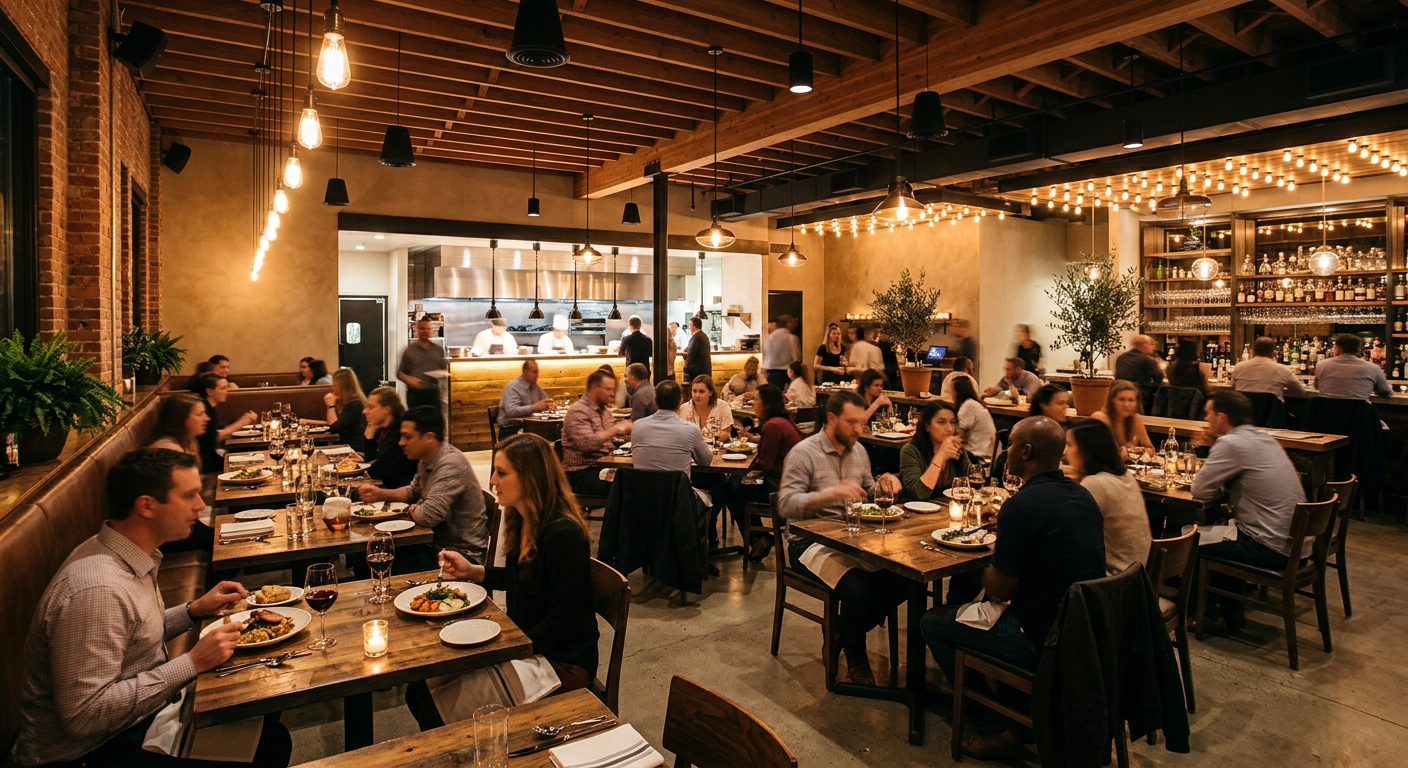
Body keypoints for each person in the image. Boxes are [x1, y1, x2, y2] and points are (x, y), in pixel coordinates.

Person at [12, 448, 292, 767]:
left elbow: (135, 634)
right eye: (189, 496)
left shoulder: (127, 552)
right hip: (93, 753)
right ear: (146, 505)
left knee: (259, 701)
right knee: (269, 744)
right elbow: (82, 717)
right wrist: (192, 662)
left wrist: (193, 611)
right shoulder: (97, 589)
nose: (200, 506)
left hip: (133, 727)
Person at [921, 417, 1104, 757]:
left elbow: (999, 592)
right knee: (963, 604)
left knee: (932, 623)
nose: (1005, 452)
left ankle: (997, 727)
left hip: (1039, 636)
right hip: (1086, 630)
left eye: (1010, 446)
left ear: (1026, 451)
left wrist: (999, 543)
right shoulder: (1081, 495)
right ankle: (1019, 705)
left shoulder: (1021, 506)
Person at [407, 433, 597, 727]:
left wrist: (502, 647)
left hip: (562, 660)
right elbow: (520, 579)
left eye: (502, 472)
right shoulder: (520, 518)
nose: (492, 479)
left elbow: (564, 621)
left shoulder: (563, 534)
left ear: (532, 478)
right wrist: (475, 571)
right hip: (527, 643)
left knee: (434, 712)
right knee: (417, 689)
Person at [777, 389, 906, 685]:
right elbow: (785, 504)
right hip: (807, 542)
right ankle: (857, 657)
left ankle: (841, 632)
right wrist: (827, 496)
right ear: (831, 418)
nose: (859, 430)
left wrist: (883, 485)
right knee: (857, 588)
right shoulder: (804, 452)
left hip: (853, 539)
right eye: (852, 423)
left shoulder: (858, 451)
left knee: (904, 578)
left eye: (862, 423)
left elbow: (867, 490)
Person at [1192, 391, 1307, 632]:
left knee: (1188, 540)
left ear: (1221, 417)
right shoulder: (1264, 438)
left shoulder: (1230, 443)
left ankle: (1210, 616)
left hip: (1271, 546)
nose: (1206, 421)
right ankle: (1232, 611)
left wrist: (1213, 447)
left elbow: (1200, 490)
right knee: (1223, 529)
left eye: (1208, 415)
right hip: (1296, 545)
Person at [356, 407, 489, 566]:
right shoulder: (425, 460)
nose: (401, 442)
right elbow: (412, 492)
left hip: (461, 554)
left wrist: (410, 509)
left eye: (407, 436)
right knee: (368, 552)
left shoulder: (450, 464)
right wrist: (380, 494)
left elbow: (427, 516)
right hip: (435, 543)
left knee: (376, 560)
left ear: (429, 437)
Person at [722, 384, 801, 561]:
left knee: (732, 493)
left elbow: (765, 464)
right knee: (737, 489)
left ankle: (760, 538)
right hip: (791, 482)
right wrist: (754, 440)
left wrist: (745, 461)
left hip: (779, 487)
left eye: (756, 400)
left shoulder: (772, 425)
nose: (753, 403)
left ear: (766, 404)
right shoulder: (784, 420)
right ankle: (760, 538)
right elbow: (773, 444)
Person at [1063, 421, 1150, 575]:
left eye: (1069, 445)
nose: (1065, 451)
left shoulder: (1095, 484)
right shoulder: (1125, 476)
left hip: (1113, 582)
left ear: (1087, 450)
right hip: (1137, 576)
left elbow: (1064, 527)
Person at [560, 368, 632, 498]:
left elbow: (611, 440)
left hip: (601, 468)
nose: (612, 394)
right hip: (581, 474)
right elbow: (588, 444)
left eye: (613, 389)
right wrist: (616, 429)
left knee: (638, 478)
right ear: (594, 388)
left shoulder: (604, 411)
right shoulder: (578, 411)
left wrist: (628, 436)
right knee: (630, 486)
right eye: (608, 389)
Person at [630, 379, 713, 478]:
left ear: (655, 402)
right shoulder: (690, 429)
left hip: (642, 492)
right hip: (677, 492)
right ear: (680, 402)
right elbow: (705, 461)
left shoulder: (637, 426)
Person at [897, 400, 970, 504]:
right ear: (927, 426)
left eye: (953, 422)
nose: (949, 428)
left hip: (951, 510)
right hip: (918, 512)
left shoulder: (957, 449)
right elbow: (918, 493)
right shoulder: (910, 450)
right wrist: (941, 456)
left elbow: (971, 485)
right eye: (941, 422)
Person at [192, 373, 257, 473]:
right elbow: (214, 437)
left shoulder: (210, 408)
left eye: (227, 387)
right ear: (209, 391)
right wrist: (243, 422)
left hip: (210, 456)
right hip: (204, 461)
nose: (227, 391)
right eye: (223, 388)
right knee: (253, 463)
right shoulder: (204, 409)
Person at [362, 387, 417, 489]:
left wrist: (369, 435)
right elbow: (372, 461)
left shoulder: (399, 432)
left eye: (371, 407)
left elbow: (376, 473)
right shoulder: (384, 429)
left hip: (401, 493)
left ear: (387, 409)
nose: (364, 411)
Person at [301, 368, 367, 453]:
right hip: (343, 445)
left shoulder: (355, 404)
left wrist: (330, 405)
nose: (332, 388)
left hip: (353, 449)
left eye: (335, 385)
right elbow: (335, 423)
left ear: (343, 387)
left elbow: (334, 427)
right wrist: (309, 421)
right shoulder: (345, 401)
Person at [1313, 334, 1392, 401]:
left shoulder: (1322, 365)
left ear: (1338, 348)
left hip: (1326, 416)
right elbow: (1386, 392)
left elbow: (1317, 386)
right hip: (1360, 417)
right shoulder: (1373, 368)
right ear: (1358, 350)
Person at [1092, 379, 1156, 457]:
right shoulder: (1100, 418)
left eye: (1131, 400)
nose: (1126, 404)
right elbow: (1108, 455)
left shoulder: (1135, 419)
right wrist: (1131, 452)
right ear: (1112, 401)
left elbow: (1151, 450)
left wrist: (1141, 451)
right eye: (1121, 399)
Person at [1232, 336, 1307, 401]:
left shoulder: (1239, 367)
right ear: (1273, 352)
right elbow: (1301, 393)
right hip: (1272, 416)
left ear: (1253, 351)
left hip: (1244, 414)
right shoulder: (1282, 369)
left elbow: (1233, 388)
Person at [399, 316, 447, 410]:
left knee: (434, 422)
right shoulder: (410, 350)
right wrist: (407, 379)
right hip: (415, 395)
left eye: (428, 329)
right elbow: (400, 373)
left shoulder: (438, 350)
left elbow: (444, 370)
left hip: (433, 393)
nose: (426, 331)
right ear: (417, 330)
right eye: (423, 328)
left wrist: (444, 374)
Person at [498, 359, 553, 439]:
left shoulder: (535, 386)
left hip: (529, 428)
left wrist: (549, 404)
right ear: (524, 371)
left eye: (537, 372)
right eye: (534, 372)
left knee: (552, 434)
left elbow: (545, 400)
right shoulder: (512, 387)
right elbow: (511, 411)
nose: (537, 375)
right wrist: (534, 407)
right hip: (510, 430)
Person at [149, 393, 209, 457]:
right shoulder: (169, 448)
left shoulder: (188, 440)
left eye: (205, 413)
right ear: (180, 418)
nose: (207, 418)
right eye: (199, 414)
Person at [678, 374, 735, 440]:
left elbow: (726, 433)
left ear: (710, 392)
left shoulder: (722, 406)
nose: (697, 395)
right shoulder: (683, 408)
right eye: (694, 391)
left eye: (701, 391)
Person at [953, 375, 996, 459]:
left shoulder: (969, 405)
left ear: (957, 391)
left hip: (976, 455)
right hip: (984, 452)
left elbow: (957, 432)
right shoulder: (974, 403)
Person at [762, 315, 801, 389]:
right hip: (788, 373)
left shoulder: (768, 338)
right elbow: (796, 358)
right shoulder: (792, 338)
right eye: (793, 322)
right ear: (788, 323)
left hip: (771, 374)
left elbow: (765, 356)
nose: (796, 325)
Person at [683, 316, 712, 383]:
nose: (689, 327)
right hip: (703, 372)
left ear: (694, 326)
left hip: (695, 373)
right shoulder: (702, 335)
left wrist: (686, 369)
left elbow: (691, 355)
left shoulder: (696, 337)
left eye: (690, 325)